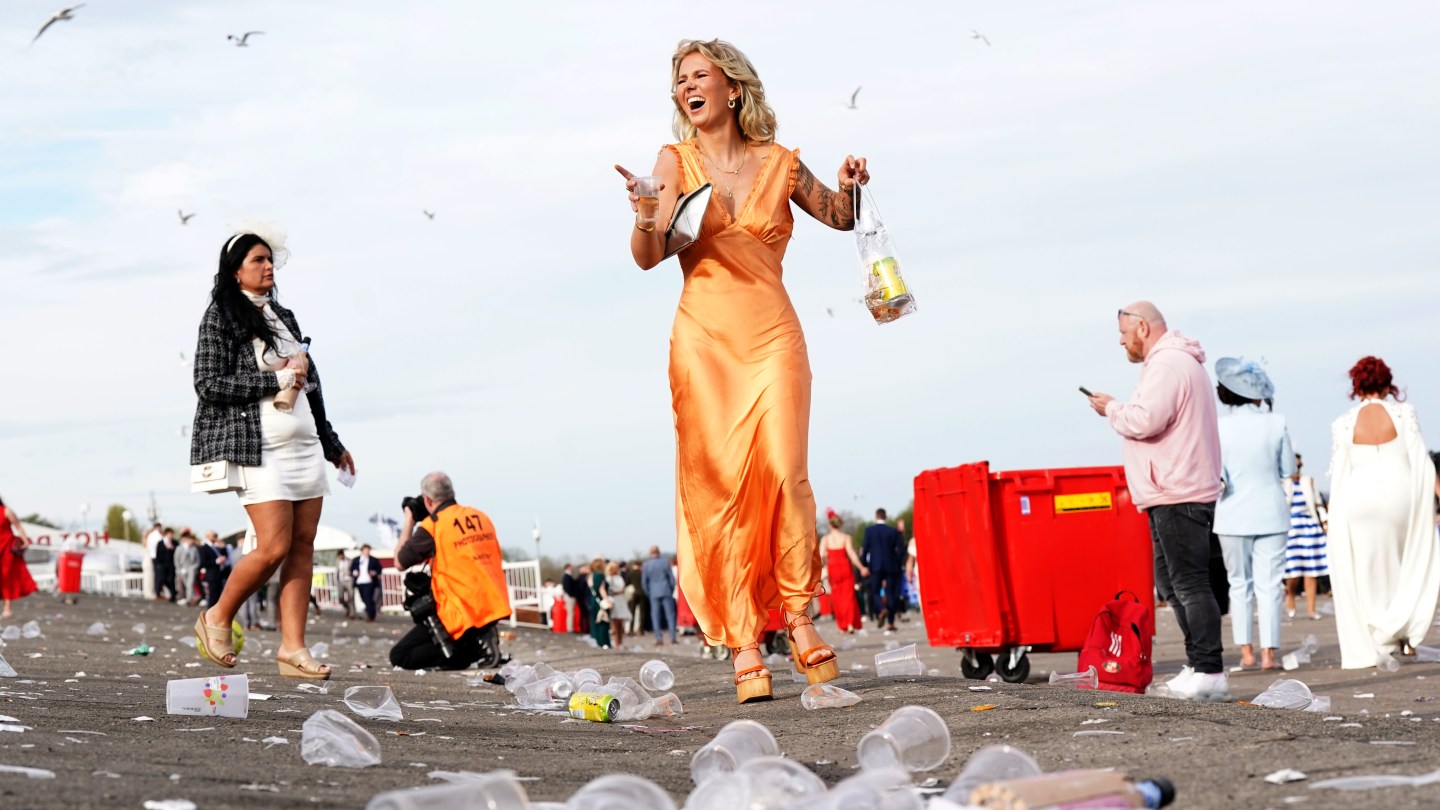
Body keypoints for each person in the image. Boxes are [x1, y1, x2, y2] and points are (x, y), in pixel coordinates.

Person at [616, 38, 868, 703]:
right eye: (678, 80)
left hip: (773, 334)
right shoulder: (675, 160)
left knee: (785, 472)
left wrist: (848, 186)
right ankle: (745, 639)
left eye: (698, 76)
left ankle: (800, 616)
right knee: (720, 487)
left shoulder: (781, 163)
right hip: (704, 341)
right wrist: (646, 209)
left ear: (733, 88)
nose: (686, 87)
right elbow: (650, 255)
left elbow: (840, 218)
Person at [190, 223, 355, 681]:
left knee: (303, 547)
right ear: (235, 271)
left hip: (303, 445)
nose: (268, 266)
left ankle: (292, 650)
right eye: (257, 261)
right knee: (274, 546)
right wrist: (273, 381)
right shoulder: (221, 315)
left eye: (269, 259)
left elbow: (311, 382)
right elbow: (207, 384)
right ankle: (217, 616)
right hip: (258, 447)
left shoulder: (285, 316)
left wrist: (331, 442)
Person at [1086, 302, 1226, 701]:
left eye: (1123, 333)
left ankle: (1210, 671)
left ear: (1142, 328)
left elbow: (1146, 420)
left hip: (1177, 488)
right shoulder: (1177, 363)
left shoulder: (1167, 365)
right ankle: (1199, 665)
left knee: (1190, 583)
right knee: (1173, 583)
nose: (1121, 341)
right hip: (1173, 487)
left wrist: (1111, 408)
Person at [1327, 357, 1440, 669]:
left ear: (1357, 386)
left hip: (1358, 496)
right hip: (1398, 493)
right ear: (1387, 383)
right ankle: (1402, 636)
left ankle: (1377, 635)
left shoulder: (1343, 422)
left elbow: (1339, 473)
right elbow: (1421, 461)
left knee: (1365, 568)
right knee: (1404, 562)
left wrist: (1334, 519)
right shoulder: (1404, 413)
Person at [1212, 358, 1295, 671]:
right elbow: (1288, 469)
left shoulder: (1218, 427)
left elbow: (1216, 474)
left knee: (1239, 584)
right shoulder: (1277, 422)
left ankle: (1245, 652)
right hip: (1271, 512)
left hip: (1231, 514)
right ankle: (1268, 655)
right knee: (1270, 585)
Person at [390, 472, 509, 670]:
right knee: (452, 656)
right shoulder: (480, 516)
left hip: (459, 609)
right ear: (452, 492)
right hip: (490, 604)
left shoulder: (435, 525)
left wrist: (410, 520)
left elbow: (400, 562)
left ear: (427, 499)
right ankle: (480, 642)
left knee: (400, 656)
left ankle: (473, 647)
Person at [1284, 453, 1329, 620]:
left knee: (1312, 570)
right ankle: (1290, 595)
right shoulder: (1283, 482)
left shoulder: (1308, 481)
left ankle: (1311, 609)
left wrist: (1325, 523)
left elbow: (1317, 503)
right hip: (1290, 528)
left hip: (1309, 527)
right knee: (1293, 571)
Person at [822, 509, 866, 633]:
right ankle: (850, 623)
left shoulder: (825, 539)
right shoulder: (846, 537)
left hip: (833, 568)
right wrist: (861, 567)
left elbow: (821, 555)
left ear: (830, 525)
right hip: (845, 567)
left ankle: (843, 625)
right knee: (849, 597)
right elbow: (852, 554)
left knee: (837, 598)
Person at [861, 509, 905, 632]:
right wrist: (898, 562)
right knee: (891, 593)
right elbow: (901, 550)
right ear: (886, 516)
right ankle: (890, 623)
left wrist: (864, 564)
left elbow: (865, 549)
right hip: (891, 565)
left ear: (876, 516)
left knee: (875, 591)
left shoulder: (869, 531)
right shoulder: (892, 531)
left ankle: (881, 608)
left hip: (875, 565)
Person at [0, 496, 36, 619]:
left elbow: (18, 526)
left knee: (7, 576)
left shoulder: (6, 511)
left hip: (7, 548)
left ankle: (7, 607)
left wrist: (25, 540)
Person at [642, 546, 678, 645]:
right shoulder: (665, 562)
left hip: (653, 592)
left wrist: (648, 592)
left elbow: (644, 582)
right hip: (666, 590)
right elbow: (671, 578)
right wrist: (671, 589)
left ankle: (659, 638)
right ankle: (673, 637)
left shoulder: (647, 565)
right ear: (659, 552)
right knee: (670, 615)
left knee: (655, 616)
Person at [350, 544, 383, 622]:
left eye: (368, 550)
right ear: (362, 551)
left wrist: (374, 573)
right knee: (364, 598)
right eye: (365, 550)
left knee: (368, 597)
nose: (367, 552)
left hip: (369, 582)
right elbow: (352, 569)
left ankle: (370, 616)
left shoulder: (373, 560)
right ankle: (371, 611)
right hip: (359, 582)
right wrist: (355, 572)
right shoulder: (356, 559)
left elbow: (379, 569)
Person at [197, 531, 229, 607]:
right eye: (214, 536)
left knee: (218, 595)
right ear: (208, 536)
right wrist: (216, 561)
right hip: (212, 575)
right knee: (213, 596)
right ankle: (209, 613)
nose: (216, 538)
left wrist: (223, 548)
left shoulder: (215, 547)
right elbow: (203, 562)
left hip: (219, 574)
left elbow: (225, 555)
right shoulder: (204, 548)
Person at [587, 558, 612, 650]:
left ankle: (598, 641)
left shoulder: (591, 576)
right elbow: (601, 589)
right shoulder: (600, 575)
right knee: (603, 622)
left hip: (593, 601)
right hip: (601, 602)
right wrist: (608, 601)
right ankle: (604, 642)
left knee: (596, 622)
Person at [605, 561, 631, 648]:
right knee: (615, 623)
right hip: (614, 601)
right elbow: (610, 590)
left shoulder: (619, 578)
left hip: (621, 600)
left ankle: (620, 642)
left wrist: (620, 591)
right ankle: (616, 642)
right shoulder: (608, 579)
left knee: (620, 623)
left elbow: (623, 588)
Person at [175, 530, 201, 606]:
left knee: (190, 584)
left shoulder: (194, 549)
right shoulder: (179, 548)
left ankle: (189, 599)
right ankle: (193, 597)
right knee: (185, 584)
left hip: (191, 569)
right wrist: (179, 569)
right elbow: (176, 560)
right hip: (182, 569)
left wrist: (193, 568)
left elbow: (197, 561)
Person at [561, 563, 586, 634]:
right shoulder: (567, 576)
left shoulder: (567, 576)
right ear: (568, 567)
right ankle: (570, 629)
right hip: (570, 597)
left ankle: (571, 628)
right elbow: (567, 587)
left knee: (571, 613)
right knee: (570, 613)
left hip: (570, 596)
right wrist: (572, 594)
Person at [155, 527, 178, 603]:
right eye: (170, 534)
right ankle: (159, 593)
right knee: (162, 579)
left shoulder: (175, 543)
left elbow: (178, 553)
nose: (171, 535)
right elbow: (158, 554)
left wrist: (172, 549)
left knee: (171, 580)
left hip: (172, 565)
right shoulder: (160, 543)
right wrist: (159, 564)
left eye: (172, 534)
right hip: (163, 565)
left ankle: (173, 596)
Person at [334, 549, 356, 619]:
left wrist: (349, 573)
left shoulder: (350, 561)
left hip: (349, 581)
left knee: (351, 597)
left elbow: (354, 570)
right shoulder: (337, 562)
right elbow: (336, 571)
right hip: (340, 581)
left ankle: (352, 613)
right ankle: (348, 608)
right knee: (340, 597)